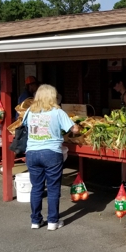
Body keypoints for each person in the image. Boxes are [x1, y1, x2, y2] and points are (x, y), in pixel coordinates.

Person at [24, 84, 80, 231]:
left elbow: (24, 125)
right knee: (53, 188)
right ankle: (52, 222)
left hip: (32, 152)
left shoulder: (29, 111)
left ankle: (35, 221)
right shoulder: (57, 112)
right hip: (51, 152)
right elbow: (74, 129)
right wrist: (77, 125)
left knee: (36, 188)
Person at [111, 74, 126, 189]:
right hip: (124, 126)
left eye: (115, 86)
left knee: (124, 155)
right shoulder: (123, 95)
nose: (114, 88)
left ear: (120, 83)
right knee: (123, 155)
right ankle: (124, 180)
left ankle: (125, 181)